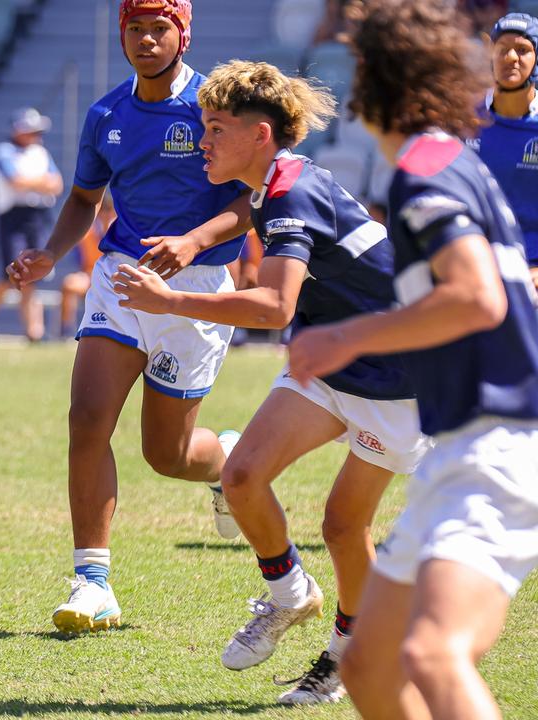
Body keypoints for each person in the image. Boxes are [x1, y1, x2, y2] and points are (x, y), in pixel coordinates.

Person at [115, 60, 431, 706]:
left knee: (345, 526)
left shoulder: (292, 193)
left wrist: (171, 302)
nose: (203, 140)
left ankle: (349, 652)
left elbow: (274, 307)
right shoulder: (275, 183)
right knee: (240, 477)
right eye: (204, 125)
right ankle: (291, 595)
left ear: (261, 136)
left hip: (399, 376)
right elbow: (245, 218)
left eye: (216, 128)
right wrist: (195, 241)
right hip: (331, 359)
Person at [287, 2, 538, 718]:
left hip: (497, 446)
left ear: (380, 80)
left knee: (431, 655)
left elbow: (476, 298)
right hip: (459, 448)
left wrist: (346, 337)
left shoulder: (424, 170)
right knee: (369, 665)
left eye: (361, 65)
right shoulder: (449, 155)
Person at [7, 0, 253, 636]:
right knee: (87, 418)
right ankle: (92, 582)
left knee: (166, 454)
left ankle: (226, 462)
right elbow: (86, 198)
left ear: (183, 33)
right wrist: (49, 254)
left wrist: (194, 242)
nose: (146, 40)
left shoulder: (214, 106)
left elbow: (249, 200)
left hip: (198, 289)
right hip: (121, 277)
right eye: (134, 29)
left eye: (159, 28)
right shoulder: (106, 114)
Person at [0, 108, 64, 342]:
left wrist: (32, 183)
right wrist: (40, 183)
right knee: (11, 273)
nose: (37, 135)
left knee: (31, 272)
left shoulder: (41, 152)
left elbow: (56, 184)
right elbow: (15, 181)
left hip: (38, 216)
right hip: (12, 217)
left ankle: (33, 331)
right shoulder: (4, 151)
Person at [472, 13, 538, 292]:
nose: (511, 57)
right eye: (502, 49)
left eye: (523, 49)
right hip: (477, 267)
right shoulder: (466, 121)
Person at [59, 192, 115, 339]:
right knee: (69, 284)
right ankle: (66, 331)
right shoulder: (87, 233)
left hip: (115, 277)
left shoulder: (120, 232)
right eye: (104, 211)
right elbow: (81, 261)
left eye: (110, 211)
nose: (107, 215)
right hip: (91, 275)